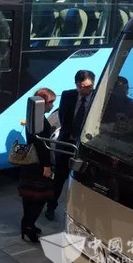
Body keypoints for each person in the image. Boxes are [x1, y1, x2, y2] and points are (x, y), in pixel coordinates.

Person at [45, 70, 95, 220]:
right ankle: (51, 207)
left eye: (87, 87)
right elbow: (62, 116)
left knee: (83, 180)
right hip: (67, 142)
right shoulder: (68, 95)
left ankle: (79, 212)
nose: (83, 90)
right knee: (59, 178)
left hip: (86, 145)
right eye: (80, 87)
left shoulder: (98, 98)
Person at [19, 88, 55, 243]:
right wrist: (47, 166)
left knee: (29, 199)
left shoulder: (32, 116)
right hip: (38, 165)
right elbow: (42, 146)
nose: (52, 106)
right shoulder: (40, 121)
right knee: (38, 199)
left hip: (30, 165)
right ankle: (28, 226)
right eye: (50, 102)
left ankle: (27, 225)